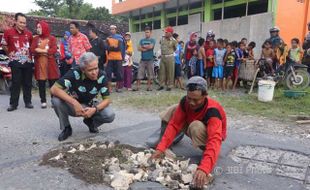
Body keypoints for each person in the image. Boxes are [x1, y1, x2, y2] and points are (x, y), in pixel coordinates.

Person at [150, 76, 227, 189]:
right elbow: (173, 125)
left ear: (205, 96)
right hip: (191, 124)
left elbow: (214, 140)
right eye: (189, 98)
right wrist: (161, 148)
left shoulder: (213, 111)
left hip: (207, 136)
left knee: (195, 126)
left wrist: (204, 168)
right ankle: (166, 148)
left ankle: (207, 156)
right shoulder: (185, 102)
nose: (191, 102)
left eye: (196, 100)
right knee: (174, 109)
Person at [50, 52, 115, 141]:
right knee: (55, 100)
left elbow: (107, 100)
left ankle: (91, 122)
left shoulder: (102, 75)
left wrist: (94, 109)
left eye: (96, 68)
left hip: (90, 105)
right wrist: (74, 102)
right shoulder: (74, 73)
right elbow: (54, 89)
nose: (94, 72)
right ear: (83, 69)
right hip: (73, 107)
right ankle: (66, 128)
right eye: (90, 70)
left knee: (110, 115)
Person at [1, 13, 34, 111]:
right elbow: (4, 45)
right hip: (15, 61)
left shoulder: (29, 34)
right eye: (20, 22)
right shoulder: (8, 32)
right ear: (15, 21)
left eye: (24, 23)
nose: (23, 24)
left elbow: (31, 46)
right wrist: (10, 54)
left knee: (28, 82)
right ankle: (13, 104)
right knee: (16, 82)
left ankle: (28, 102)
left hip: (27, 61)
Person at [30, 20, 59, 109]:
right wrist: (45, 51)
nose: (38, 29)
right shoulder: (35, 39)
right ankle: (43, 101)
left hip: (50, 64)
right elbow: (32, 50)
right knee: (41, 83)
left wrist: (42, 50)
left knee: (52, 83)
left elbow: (53, 50)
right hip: (40, 64)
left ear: (45, 28)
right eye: (37, 27)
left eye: (40, 27)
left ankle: (54, 101)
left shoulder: (52, 38)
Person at [134, 26, 156, 91]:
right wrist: (147, 47)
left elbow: (151, 47)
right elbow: (138, 48)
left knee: (150, 74)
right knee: (139, 73)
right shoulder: (142, 40)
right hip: (143, 59)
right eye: (146, 32)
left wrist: (143, 47)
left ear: (151, 32)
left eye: (148, 32)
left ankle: (149, 87)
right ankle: (137, 87)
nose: (146, 33)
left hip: (150, 59)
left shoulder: (153, 40)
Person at [106, 25, 126, 93]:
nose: (112, 30)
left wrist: (123, 57)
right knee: (108, 73)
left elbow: (120, 48)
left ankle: (118, 88)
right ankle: (109, 89)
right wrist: (113, 47)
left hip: (118, 58)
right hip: (110, 58)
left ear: (116, 30)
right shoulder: (108, 38)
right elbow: (107, 48)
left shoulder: (120, 38)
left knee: (119, 73)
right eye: (111, 29)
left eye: (113, 29)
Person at [157, 26, 178, 91]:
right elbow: (161, 46)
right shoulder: (162, 39)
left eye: (166, 32)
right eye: (165, 32)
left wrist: (170, 53)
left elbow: (175, 49)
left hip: (170, 57)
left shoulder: (174, 41)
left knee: (170, 72)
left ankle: (170, 86)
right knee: (162, 72)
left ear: (170, 33)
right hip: (163, 57)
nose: (165, 33)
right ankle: (161, 85)